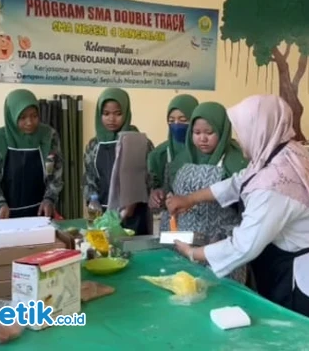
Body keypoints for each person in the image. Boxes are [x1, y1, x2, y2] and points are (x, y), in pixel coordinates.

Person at [166, 95, 309, 329]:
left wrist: (193, 253)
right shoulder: (284, 152)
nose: (241, 138)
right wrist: (190, 199)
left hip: (299, 274)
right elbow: (238, 182)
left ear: (260, 128)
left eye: (243, 130)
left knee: (302, 335)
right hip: (294, 260)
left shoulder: (275, 184)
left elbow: (243, 245)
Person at [165, 101, 248, 282]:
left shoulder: (236, 161)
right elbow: (170, 191)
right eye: (196, 133)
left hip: (219, 247)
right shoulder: (182, 159)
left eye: (209, 133)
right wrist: (170, 199)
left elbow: (245, 203)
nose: (202, 138)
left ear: (223, 131)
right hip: (185, 243)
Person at [0, 89, 63, 219]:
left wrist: (49, 199)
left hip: (41, 214)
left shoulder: (48, 136)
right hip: (6, 215)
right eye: (22, 117)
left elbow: (56, 176)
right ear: (11, 115)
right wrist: (0, 204)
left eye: (34, 116)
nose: (29, 122)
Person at [83, 87, 153, 235]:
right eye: (106, 114)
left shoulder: (139, 141)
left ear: (126, 113)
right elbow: (89, 179)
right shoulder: (93, 145)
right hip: (103, 213)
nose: (111, 119)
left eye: (118, 114)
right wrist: (92, 202)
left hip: (135, 214)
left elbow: (149, 177)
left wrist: (133, 200)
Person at [147, 94, 199, 209]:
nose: (176, 124)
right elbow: (155, 187)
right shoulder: (159, 154)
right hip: (172, 218)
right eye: (171, 120)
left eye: (183, 120)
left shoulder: (204, 149)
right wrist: (156, 195)